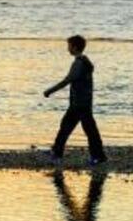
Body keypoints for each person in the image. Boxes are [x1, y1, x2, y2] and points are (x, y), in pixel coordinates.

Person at [44, 35, 107, 169]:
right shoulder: (85, 62)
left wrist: (50, 91)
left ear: (75, 47)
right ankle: (98, 156)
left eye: (69, 46)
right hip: (85, 102)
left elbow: (67, 80)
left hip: (79, 104)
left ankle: (57, 153)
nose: (68, 49)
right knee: (89, 130)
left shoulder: (79, 63)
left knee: (66, 127)